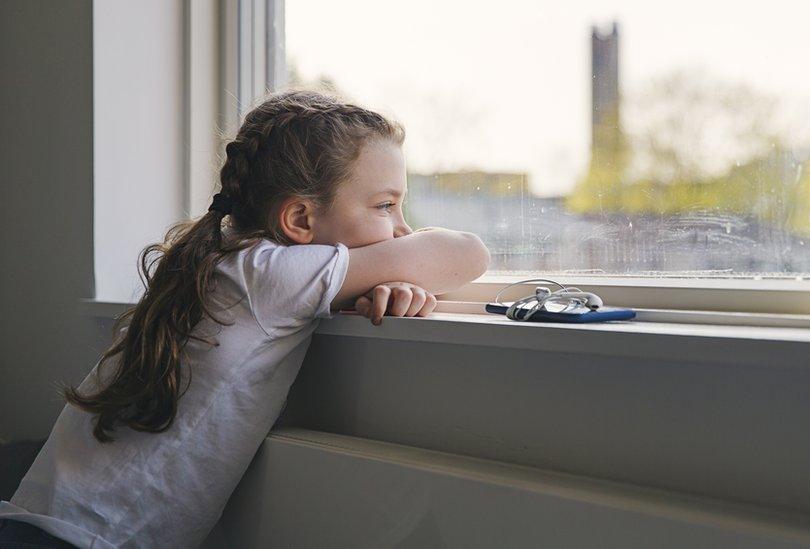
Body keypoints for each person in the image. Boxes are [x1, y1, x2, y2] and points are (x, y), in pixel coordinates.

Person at [0, 90, 490, 548]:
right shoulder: (266, 275)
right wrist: (399, 265)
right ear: (299, 220)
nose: (402, 230)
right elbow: (468, 255)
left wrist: (380, 282)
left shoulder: (228, 262)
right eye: (386, 206)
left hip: (47, 522)